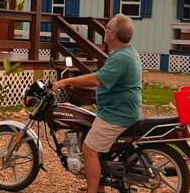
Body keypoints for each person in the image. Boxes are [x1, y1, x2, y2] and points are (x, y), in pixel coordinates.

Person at [52, 14, 142, 193]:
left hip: (117, 114)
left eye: (107, 28)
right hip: (116, 110)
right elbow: (105, 79)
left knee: (89, 148)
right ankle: (98, 184)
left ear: (114, 35)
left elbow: (97, 79)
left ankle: (93, 190)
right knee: (87, 133)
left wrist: (66, 82)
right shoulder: (125, 53)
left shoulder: (121, 57)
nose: (105, 30)